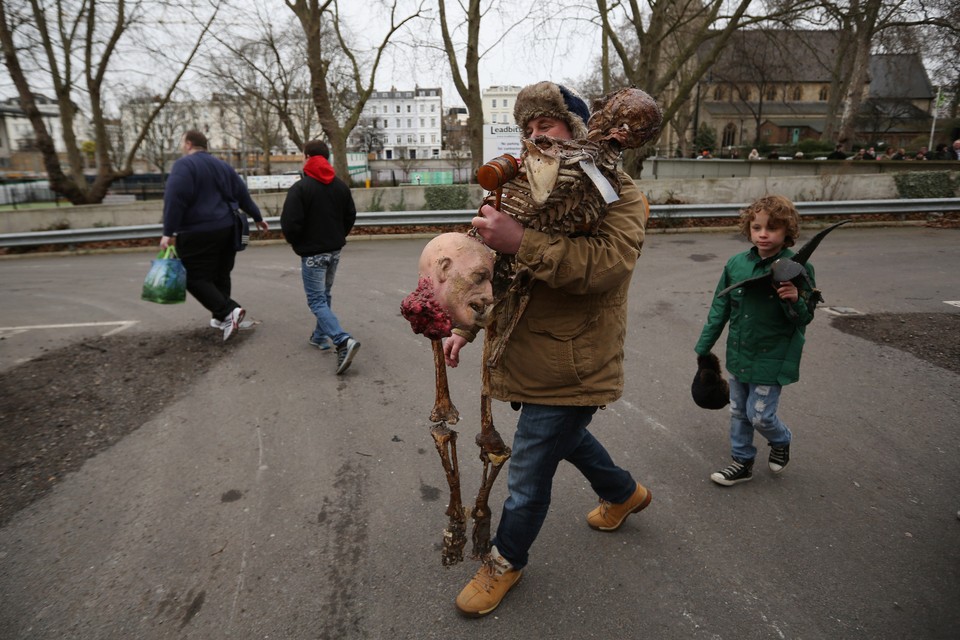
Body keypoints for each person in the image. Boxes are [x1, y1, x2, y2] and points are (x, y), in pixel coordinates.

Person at [443, 81, 653, 617]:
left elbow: (607, 267)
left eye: (549, 127)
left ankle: (505, 561)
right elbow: (493, 276)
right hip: (524, 353)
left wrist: (521, 240)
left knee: (530, 467)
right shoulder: (520, 194)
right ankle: (625, 493)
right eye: (529, 130)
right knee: (567, 438)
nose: (537, 139)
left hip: (573, 361)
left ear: (580, 131)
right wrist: (464, 327)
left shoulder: (621, 194)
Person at [694, 195, 817, 487]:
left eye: (772, 228)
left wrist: (795, 300)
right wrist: (703, 348)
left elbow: (804, 318)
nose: (763, 234)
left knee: (759, 415)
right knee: (738, 411)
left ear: (787, 232)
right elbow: (719, 309)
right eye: (757, 227)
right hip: (739, 352)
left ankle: (781, 438)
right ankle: (742, 462)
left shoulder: (798, 268)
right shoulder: (736, 265)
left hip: (773, 355)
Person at [161, 129, 268, 342]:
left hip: (198, 229)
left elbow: (175, 198)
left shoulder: (184, 165)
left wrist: (168, 232)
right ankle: (220, 319)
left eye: (183, 143)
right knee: (220, 272)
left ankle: (228, 311)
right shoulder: (223, 166)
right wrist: (257, 216)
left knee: (192, 276)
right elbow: (241, 193)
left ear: (189, 144)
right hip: (228, 227)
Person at [280, 140, 361, 375]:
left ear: (307, 157)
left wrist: (298, 243)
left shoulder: (301, 188)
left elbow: (289, 224)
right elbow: (350, 215)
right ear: (327, 158)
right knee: (324, 295)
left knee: (316, 300)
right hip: (334, 250)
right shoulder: (340, 186)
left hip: (313, 253)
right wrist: (337, 236)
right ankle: (319, 336)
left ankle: (341, 339)